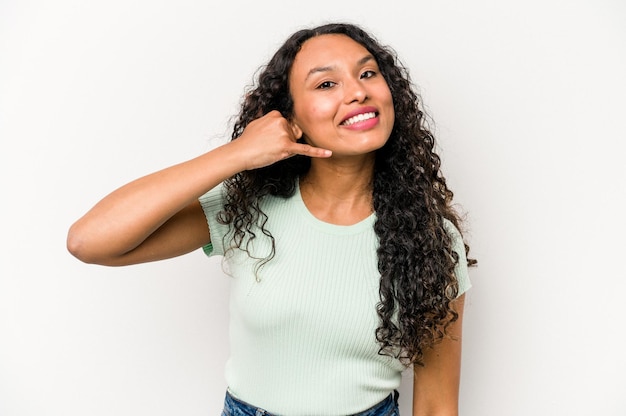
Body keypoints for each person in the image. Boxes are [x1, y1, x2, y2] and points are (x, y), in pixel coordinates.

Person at [67, 22, 473, 416]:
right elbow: (89, 241)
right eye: (326, 84)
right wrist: (238, 154)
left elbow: (437, 405)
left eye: (368, 73)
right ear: (290, 120)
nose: (357, 92)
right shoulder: (247, 207)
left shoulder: (432, 239)